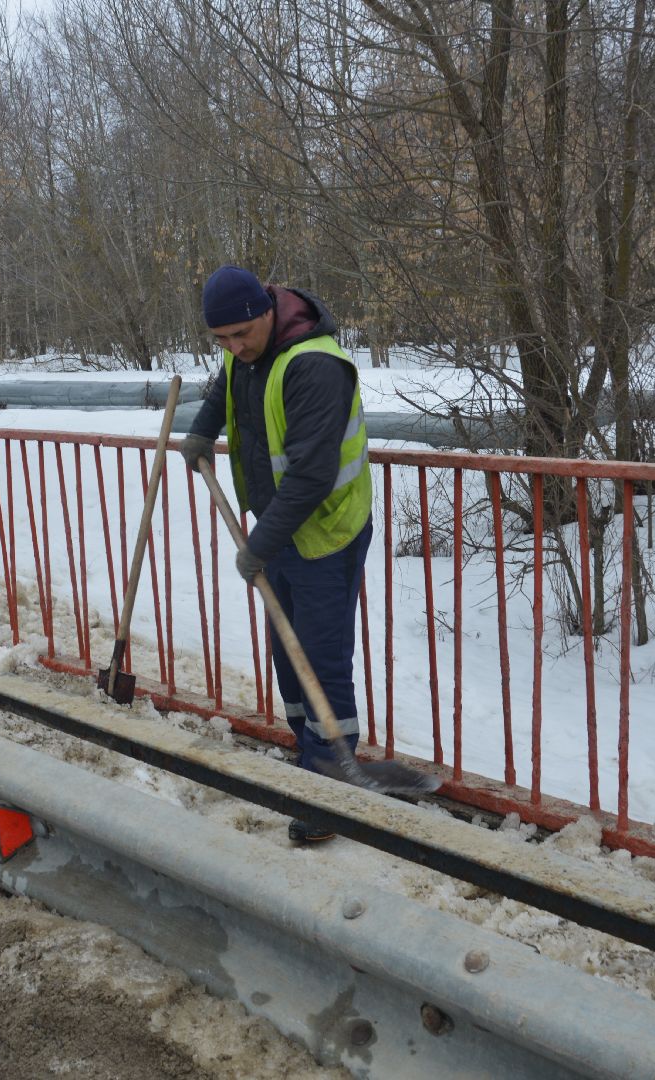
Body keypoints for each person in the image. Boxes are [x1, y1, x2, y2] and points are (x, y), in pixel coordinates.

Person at [179, 265, 372, 844]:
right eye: (222, 341)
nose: (235, 349)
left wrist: (257, 546)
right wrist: (201, 430)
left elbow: (312, 474)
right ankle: (309, 760)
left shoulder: (312, 365)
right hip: (281, 529)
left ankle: (332, 789)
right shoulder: (248, 353)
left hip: (327, 533)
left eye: (242, 335)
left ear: (266, 309)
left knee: (320, 658)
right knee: (288, 657)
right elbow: (225, 389)